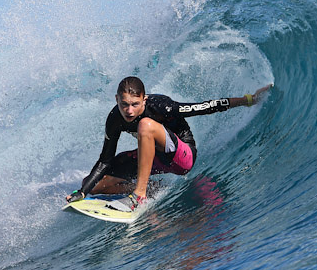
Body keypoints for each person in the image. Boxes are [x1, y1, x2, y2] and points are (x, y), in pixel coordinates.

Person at [66, 76, 272, 210]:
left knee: (145, 125)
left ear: (144, 100)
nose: (129, 110)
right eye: (124, 104)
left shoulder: (161, 107)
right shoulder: (115, 118)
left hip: (181, 157)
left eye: (135, 104)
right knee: (93, 184)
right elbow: (105, 159)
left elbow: (205, 107)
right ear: (116, 100)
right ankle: (152, 189)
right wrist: (82, 192)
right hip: (154, 158)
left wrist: (249, 99)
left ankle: (139, 195)